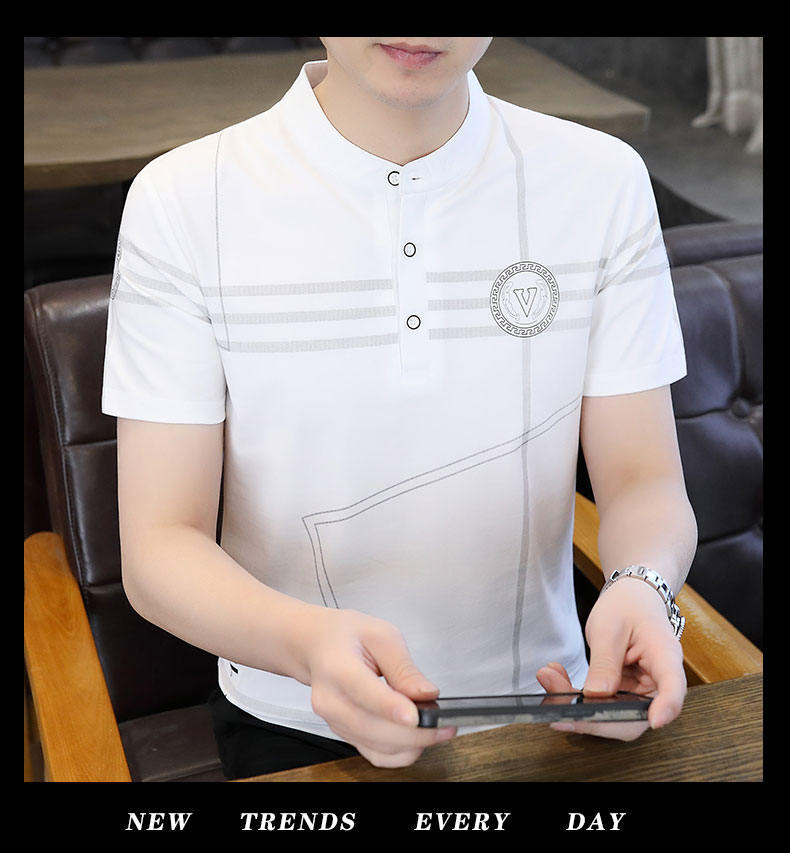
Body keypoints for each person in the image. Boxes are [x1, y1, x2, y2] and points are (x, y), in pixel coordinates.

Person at [102, 37, 698, 779]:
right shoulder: (183, 200)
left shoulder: (602, 182)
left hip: (559, 706)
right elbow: (160, 546)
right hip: (294, 715)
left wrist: (644, 586)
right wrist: (306, 644)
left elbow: (644, 480)